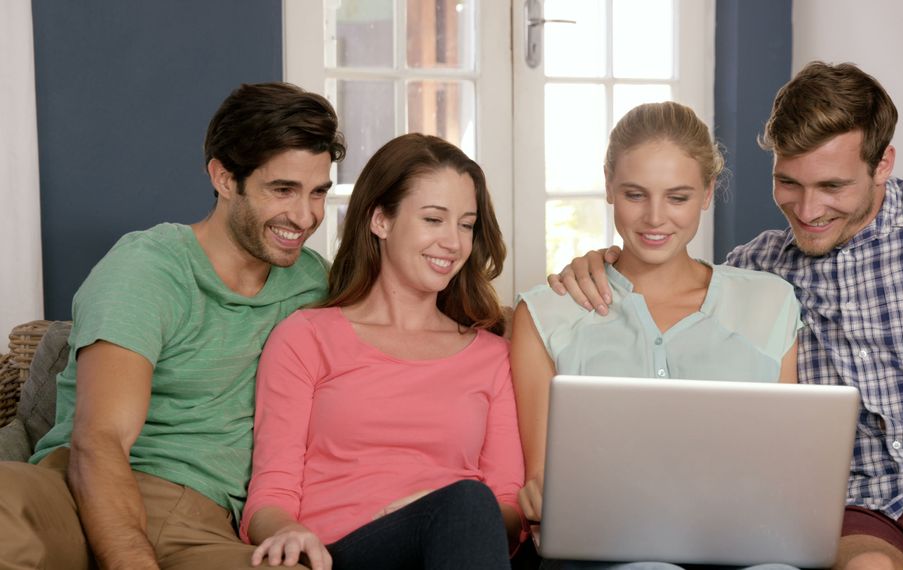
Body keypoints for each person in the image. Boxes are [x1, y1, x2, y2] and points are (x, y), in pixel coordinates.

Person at [550, 62, 903, 570]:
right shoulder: (756, 269)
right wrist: (608, 262)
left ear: (884, 164)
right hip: (857, 506)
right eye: (788, 183)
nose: (806, 211)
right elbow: (673, 284)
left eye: (832, 187)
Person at [0, 82, 346, 569]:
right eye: (282, 190)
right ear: (224, 178)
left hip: (199, 520)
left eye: (317, 193)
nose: (305, 215)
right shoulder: (149, 268)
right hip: (73, 491)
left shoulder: (318, 286)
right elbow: (99, 439)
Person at [513, 101, 802, 570]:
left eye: (678, 197)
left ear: (708, 193)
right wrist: (543, 499)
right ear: (608, 185)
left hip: (742, 548)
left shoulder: (771, 304)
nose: (654, 218)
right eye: (634, 194)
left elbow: (782, 470)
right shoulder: (547, 313)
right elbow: (543, 477)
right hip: (603, 554)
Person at [240, 133, 527, 570]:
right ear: (381, 221)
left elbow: (509, 507)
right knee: (467, 502)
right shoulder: (306, 337)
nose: (453, 243)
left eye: (466, 225)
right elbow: (271, 491)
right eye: (434, 219)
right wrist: (286, 530)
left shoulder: (492, 357)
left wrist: (436, 509)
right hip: (341, 554)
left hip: (457, 547)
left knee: (470, 503)